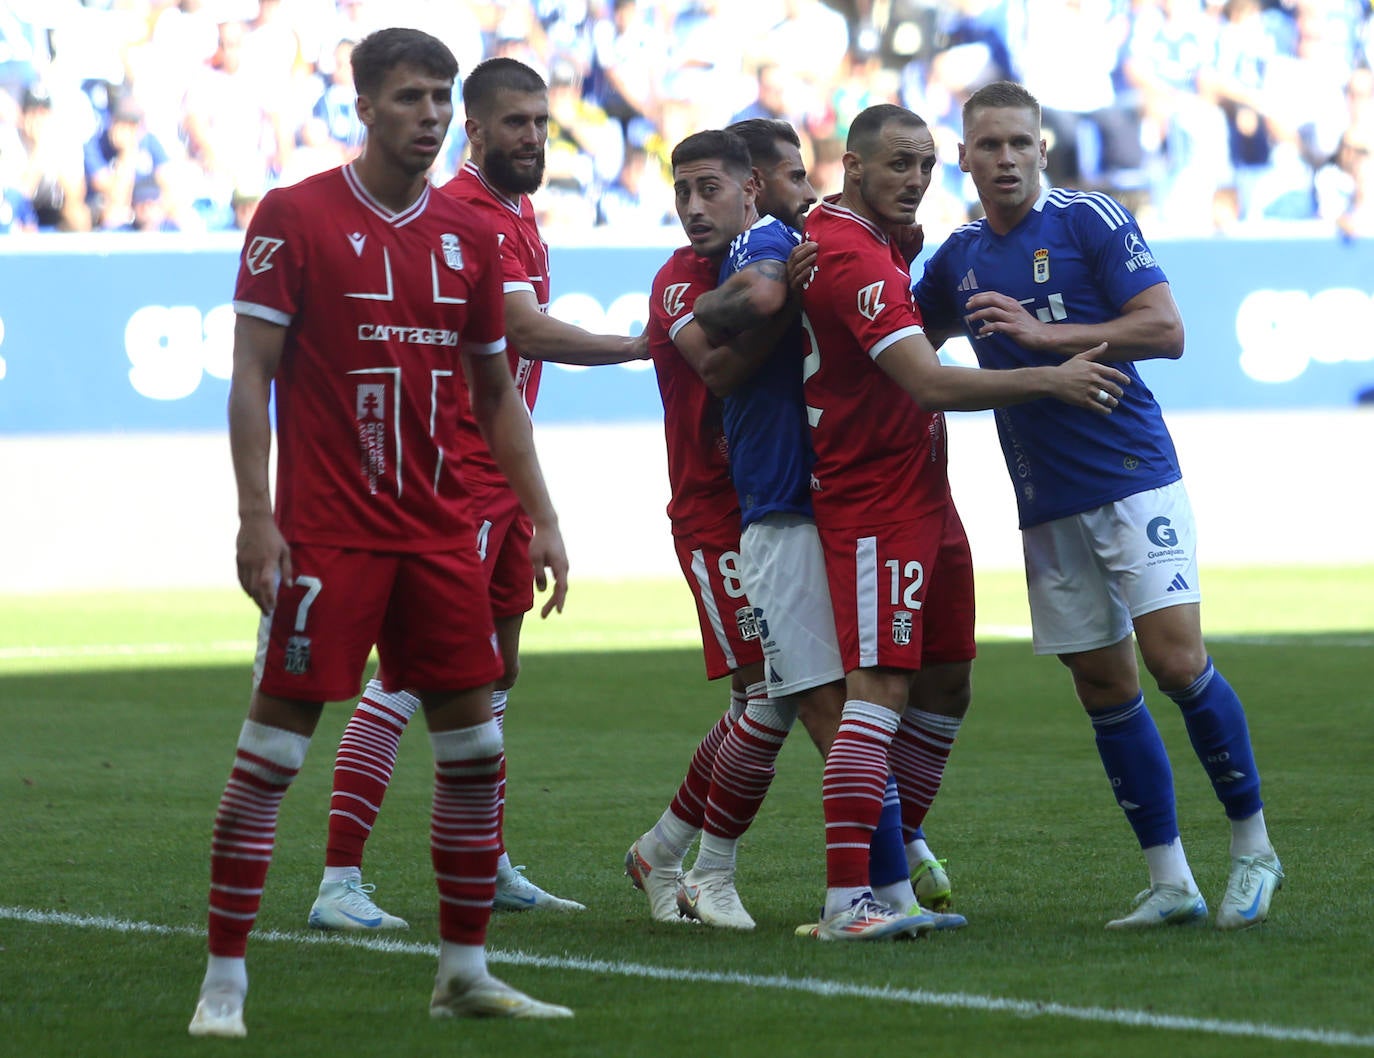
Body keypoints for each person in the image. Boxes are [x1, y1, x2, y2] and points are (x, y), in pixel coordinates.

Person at [188, 29, 573, 1038]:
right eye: (411, 97)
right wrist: (256, 517)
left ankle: (462, 968)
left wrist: (541, 516)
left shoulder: (469, 235)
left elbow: (497, 396)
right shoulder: (295, 215)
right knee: (269, 755)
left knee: (477, 749)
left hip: (442, 535)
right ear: (364, 107)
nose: (432, 114)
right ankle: (224, 979)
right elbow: (250, 377)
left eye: (443, 97)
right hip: (328, 538)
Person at [910, 80, 1283, 932]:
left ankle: (1254, 847)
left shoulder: (1090, 219)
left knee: (1177, 662)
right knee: (1103, 686)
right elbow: (909, 343)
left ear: (1043, 149)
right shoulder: (958, 256)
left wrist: (1045, 337)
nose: (1005, 159)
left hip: (1132, 475)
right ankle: (1170, 880)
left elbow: (1166, 329)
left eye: (1019, 144)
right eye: (988, 146)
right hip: (1044, 498)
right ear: (963, 157)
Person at [306, 55, 646, 933]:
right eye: (516, 124)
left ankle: (485, 859)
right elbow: (521, 330)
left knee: (497, 674)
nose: (533, 137)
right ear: (476, 130)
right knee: (408, 679)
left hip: (501, 483)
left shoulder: (521, 213)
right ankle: (338, 880)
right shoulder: (458, 214)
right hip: (444, 484)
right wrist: (643, 345)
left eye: (542, 122)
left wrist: (536, 510)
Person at [796, 102, 1130, 940]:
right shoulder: (849, 253)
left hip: (923, 493)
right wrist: (1049, 379)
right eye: (896, 166)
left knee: (948, 679)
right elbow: (930, 381)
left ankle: (899, 872)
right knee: (876, 692)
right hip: (870, 497)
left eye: (922, 167)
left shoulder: (881, 243)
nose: (913, 182)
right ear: (854, 167)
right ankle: (849, 902)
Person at [678, 118, 964, 934]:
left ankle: (881, 881)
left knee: (801, 705)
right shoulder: (764, 249)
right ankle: (822, 889)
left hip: (819, 506)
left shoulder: (816, 241)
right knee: (822, 710)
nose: (809, 197)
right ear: (760, 188)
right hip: (773, 514)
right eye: (792, 180)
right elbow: (725, 350)